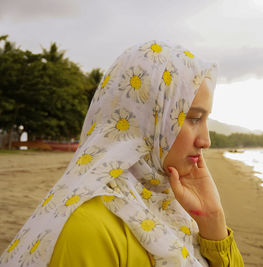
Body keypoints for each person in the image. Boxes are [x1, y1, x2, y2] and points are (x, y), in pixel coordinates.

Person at [0, 40, 243, 266]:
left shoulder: (172, 206)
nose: (206, 140)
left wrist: (212, 218)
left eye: (205, 120)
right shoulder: (89, 229)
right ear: (148, 121)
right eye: (193, 118)